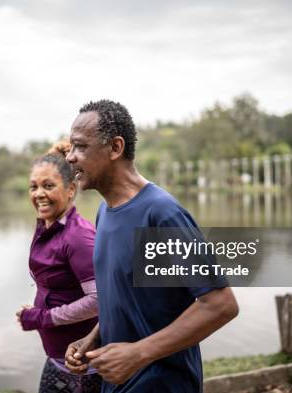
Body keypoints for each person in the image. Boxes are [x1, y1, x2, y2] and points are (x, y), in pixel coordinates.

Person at [64, 100, 239, 392]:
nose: (70, 157)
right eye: (71, 147)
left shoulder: (161, 214)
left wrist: (138, 353)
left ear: (115, 148)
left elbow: (219, 304)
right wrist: (95, 336)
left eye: (80, 147)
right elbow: (127, 298)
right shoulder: (105, 212)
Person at [16, 141, 102, 393]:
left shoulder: (78, 236)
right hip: (57, 359)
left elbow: (99, 299)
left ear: (71, 189)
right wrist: (52, 156)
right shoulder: (48, 224)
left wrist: (43, 317)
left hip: (85, 365)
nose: (39, 194)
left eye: (48, 186)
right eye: (33, 187)